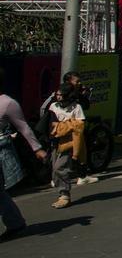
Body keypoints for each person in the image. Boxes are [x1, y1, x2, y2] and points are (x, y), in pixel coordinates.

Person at [0, 67, 45, 241]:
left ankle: (15, 223)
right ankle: (15, 223)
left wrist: (37, 149)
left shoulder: (8, 103)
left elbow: (24, 128)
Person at [46, 82, 85, 209]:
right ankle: (61, 193)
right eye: (57, 94)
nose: (59, 97)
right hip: (55, 141)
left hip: (69, 142)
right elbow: (48, 122)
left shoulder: (76, 107)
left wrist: (64, 126)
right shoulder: (53, 106)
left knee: (60, 168)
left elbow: (79, 125)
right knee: (54, 170)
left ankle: (64, 195)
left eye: (61, 95)